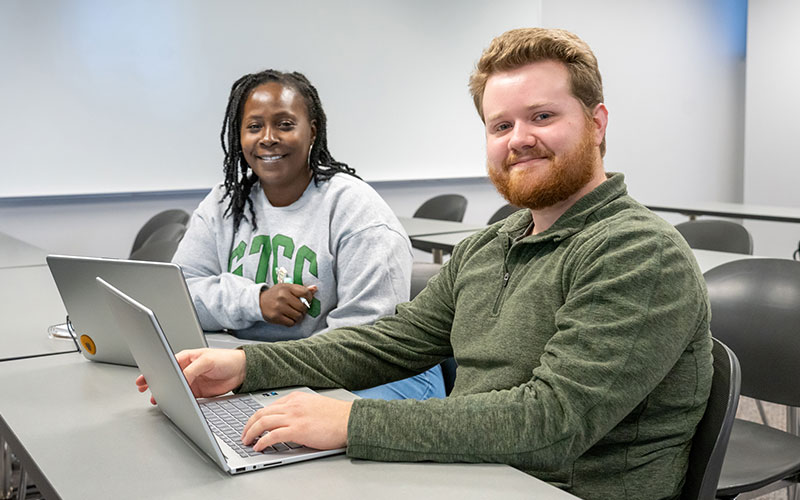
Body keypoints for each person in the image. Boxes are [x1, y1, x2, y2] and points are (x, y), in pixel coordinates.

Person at [141, 30, 712, 499]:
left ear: (597, 122)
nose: (520, 139)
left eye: (542, 115)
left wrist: (348, 424)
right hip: (472, 474)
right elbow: (388, 342)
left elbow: (551, 423)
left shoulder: (639, 252)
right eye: (501, 125)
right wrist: (248, 365)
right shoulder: (490, 246)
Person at [171, 69, 444, 400]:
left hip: (369, 375)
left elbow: (367, 344)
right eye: (254, 126)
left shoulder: (357, 212)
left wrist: (265, 373)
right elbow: (179, 295)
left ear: (312, 131)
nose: (267, 137)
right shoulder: (225, 203)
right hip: (265, 371)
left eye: (285, 124)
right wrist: (254, 301)